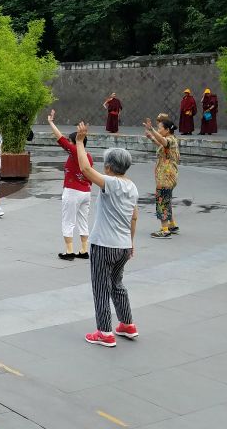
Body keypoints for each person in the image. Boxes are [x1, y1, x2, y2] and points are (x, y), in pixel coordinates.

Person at [74, 122, 139, 347]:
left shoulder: (111, 183)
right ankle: (127, 324)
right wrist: (131, 243)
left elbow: (85, 170)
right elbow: (134, 217)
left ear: (109, 167)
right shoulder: (132, 187)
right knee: (117, 284)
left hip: (104, 244)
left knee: (101, 287)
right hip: (123, 245)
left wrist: (79, 142)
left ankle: (104, 332)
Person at [47, 109, 93, 260]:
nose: (69, 142)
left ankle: (69, 251)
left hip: (73, 191)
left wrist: (51, 122)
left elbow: (60, 137)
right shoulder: (88, 156)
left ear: (75, 142)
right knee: (83, 220)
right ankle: (84, 250)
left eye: (70, 140)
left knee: (68, 220)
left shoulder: (75, 151)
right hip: (86, 192)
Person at [143, 117, 180, 238]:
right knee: (166, 199)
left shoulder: (169, 140)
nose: (158, 130)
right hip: (168, 175)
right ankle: (172, 224)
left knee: (162, 201)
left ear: (167, 130)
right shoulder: (171, 139)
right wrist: (151, 137)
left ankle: (164, 230)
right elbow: (161, 144)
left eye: (160, 128)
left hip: (166, 177)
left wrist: (152, 130)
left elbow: (163, 142)